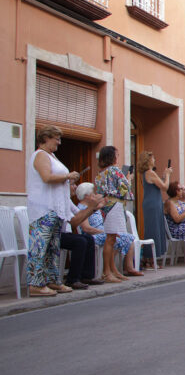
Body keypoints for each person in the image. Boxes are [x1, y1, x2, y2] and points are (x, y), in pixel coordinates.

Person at [25, 125, 82, 296]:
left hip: (55, 209)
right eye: (56, 138)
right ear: (46, 138)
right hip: (43, 209)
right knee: (40, 247)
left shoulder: (52, 156)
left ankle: (52, 280)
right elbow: (47, 177)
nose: (59, 142)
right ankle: (35, 284)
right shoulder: (40, 155)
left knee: (53, 248)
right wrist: (68, 176)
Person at [75, 182, 140, 278]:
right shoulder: (81, 208)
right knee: (112, 238)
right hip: (93, 235)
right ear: (86, 196)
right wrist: (105, 232)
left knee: (128, 237)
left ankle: (128, 267)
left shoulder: (92, 207)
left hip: (101, 232)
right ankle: (109, 270)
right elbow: (86, 228)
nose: (95, 195)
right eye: (93, 194)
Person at [95, 145, 134, 283]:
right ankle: (107, 272)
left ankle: (113, 270)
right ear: (112, 157)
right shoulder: (114, 170)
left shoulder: (100, 173)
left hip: (106, 207)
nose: (118, 158)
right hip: (114, 205)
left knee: (112, 238)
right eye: (116, 155)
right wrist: (128, 178)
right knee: (111, 239)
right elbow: (124, 188)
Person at [137, 151, 170, 270]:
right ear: (148, 160)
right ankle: (150, 260)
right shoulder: (150, 172)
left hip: (150, 202)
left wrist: (162, 177)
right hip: (153, 204)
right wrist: (167, 175)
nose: (155, 160)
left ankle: (148, 258)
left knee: (151, 228)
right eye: (153, 158)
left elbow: (157, 185)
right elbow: (165, 187)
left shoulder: (145, 174)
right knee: (153, 229)